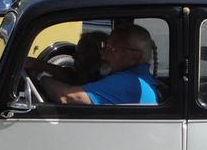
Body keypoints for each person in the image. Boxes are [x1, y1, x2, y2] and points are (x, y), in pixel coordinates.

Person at [28, 24, 159, 105]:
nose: (103, 53)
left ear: (134, 57)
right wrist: (37, 64)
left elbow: (67, 97)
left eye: (111, 48)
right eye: (105, 46)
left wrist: (41, 78)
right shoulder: (130, 77)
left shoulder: (126, 82)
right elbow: (76, 79)